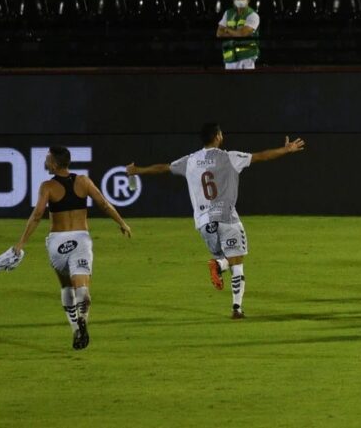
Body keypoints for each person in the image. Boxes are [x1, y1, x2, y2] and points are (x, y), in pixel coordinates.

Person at [127, 123, 304, 319]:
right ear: (218, 136)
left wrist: (138, 171)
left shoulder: (190, 160)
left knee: (229, 257)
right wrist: (286, 150)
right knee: (237, 262)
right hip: (227, 218)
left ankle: (222, 269)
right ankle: (235, 305)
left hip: (204, 224)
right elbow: (261, 156)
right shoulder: (230, 157)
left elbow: (163, 168)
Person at [12, 146, 132, 350]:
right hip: (81, 240)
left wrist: (22, 242)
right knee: (82, 286)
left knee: (66, 286)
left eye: (48, 159)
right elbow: (103, 204)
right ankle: (83, 318)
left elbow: (37, 215)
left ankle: (76, 328)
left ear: (55, 164)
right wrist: (122, 223)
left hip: (57, 242)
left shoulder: (47, 187)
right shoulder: (83, 181)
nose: (46, 161)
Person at [216, 0, 260, 70]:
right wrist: (236, 33)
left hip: (246, 58)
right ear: (234, 0)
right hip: (230, 58)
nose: (240, 0)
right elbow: (219, 33)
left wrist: (227, 29)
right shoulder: (228, 13)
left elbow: (242, 34)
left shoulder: (253, 15)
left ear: (248, 0)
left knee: (247, 83)